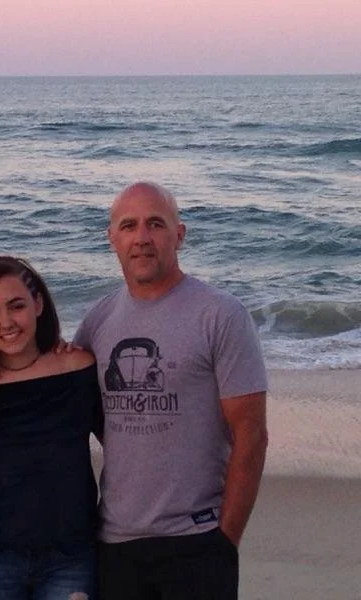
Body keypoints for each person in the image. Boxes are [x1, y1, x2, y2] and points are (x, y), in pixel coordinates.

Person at [73, 181, 268, 599]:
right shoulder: (97, 323)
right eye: (128, 226)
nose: (141, 238)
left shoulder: (221, 316)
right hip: (115, 544)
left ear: (179, 234)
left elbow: (251, 434)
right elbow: (81, 414)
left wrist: (224, 541)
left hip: (197, 540)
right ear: (112, 238)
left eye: (155, 224)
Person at [0, 256, 103, 600]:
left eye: (16, 306)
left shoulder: (78, 368)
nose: (6, 322)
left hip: (71, 554)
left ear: (38, 303)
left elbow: (121, 443)